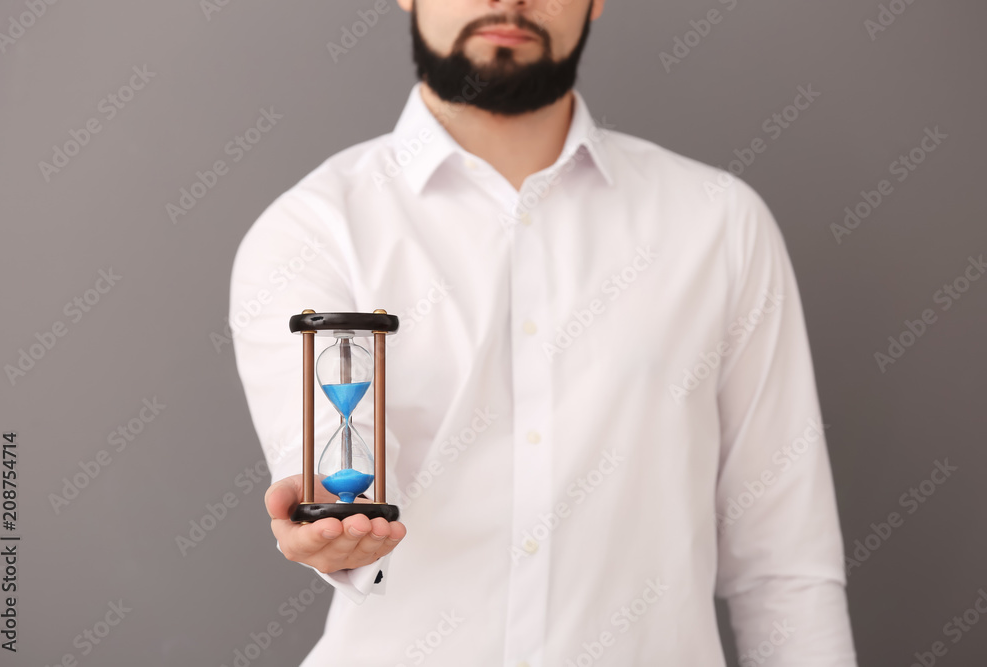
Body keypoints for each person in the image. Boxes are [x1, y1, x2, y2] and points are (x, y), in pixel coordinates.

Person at [229, 0, 858, 664]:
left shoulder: (719, 225)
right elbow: (341, 479)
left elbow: (784, 566)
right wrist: (347, 539)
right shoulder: (313, 233)